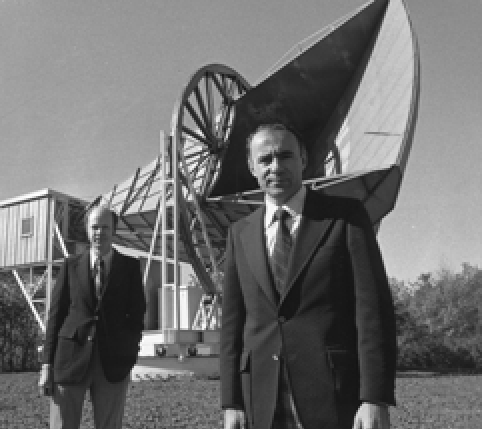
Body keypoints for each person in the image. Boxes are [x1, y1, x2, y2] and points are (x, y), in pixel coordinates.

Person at [220, 123, 397, 429]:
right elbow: (232, 327)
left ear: (303, 159)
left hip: (333, 395)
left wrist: (374, 398)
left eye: (285, 156)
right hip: (260, 400)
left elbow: (373, 313)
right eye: (265, 159)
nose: (276, 167)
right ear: (251, 167)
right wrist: (231, 402)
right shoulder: (240, 233)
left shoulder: (345, 218)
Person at [38, 205, 146, 429]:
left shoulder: (130, 267)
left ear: (114, 229)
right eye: (95, 227)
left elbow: (136, 316)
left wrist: (129, 355)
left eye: (105, 227)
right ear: (87, 230)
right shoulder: (70, 266)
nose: (100, 232)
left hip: (112, 363)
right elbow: (56, 316)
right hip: (69, 360)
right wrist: (47, 364)